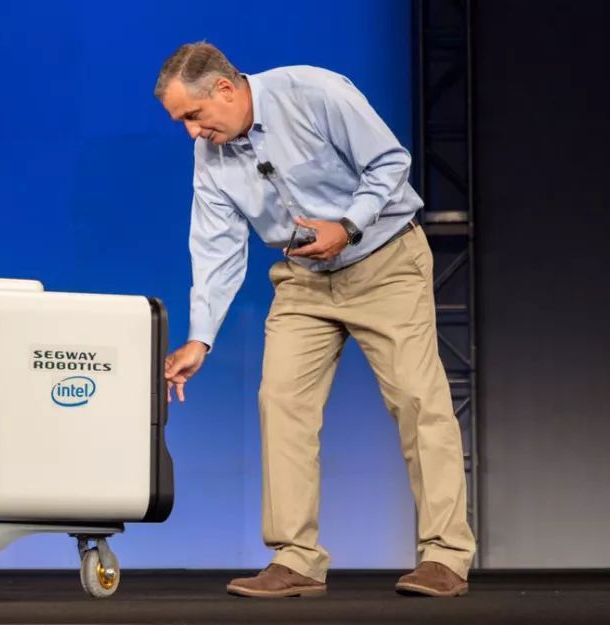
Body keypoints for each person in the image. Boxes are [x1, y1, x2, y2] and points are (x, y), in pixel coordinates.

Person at [155, 41, 476, 598]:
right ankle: (296, 558)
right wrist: (200, 338)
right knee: (281, 402)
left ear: (225, 89)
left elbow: (390, 162)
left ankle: (446, 555)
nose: (192, 132)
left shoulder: (314, 92)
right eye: (182, 121)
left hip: (384, 262)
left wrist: (346, 226)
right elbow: (216, 245)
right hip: (304, 279)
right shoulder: (211, 154)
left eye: (194, 116)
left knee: (418, 401)